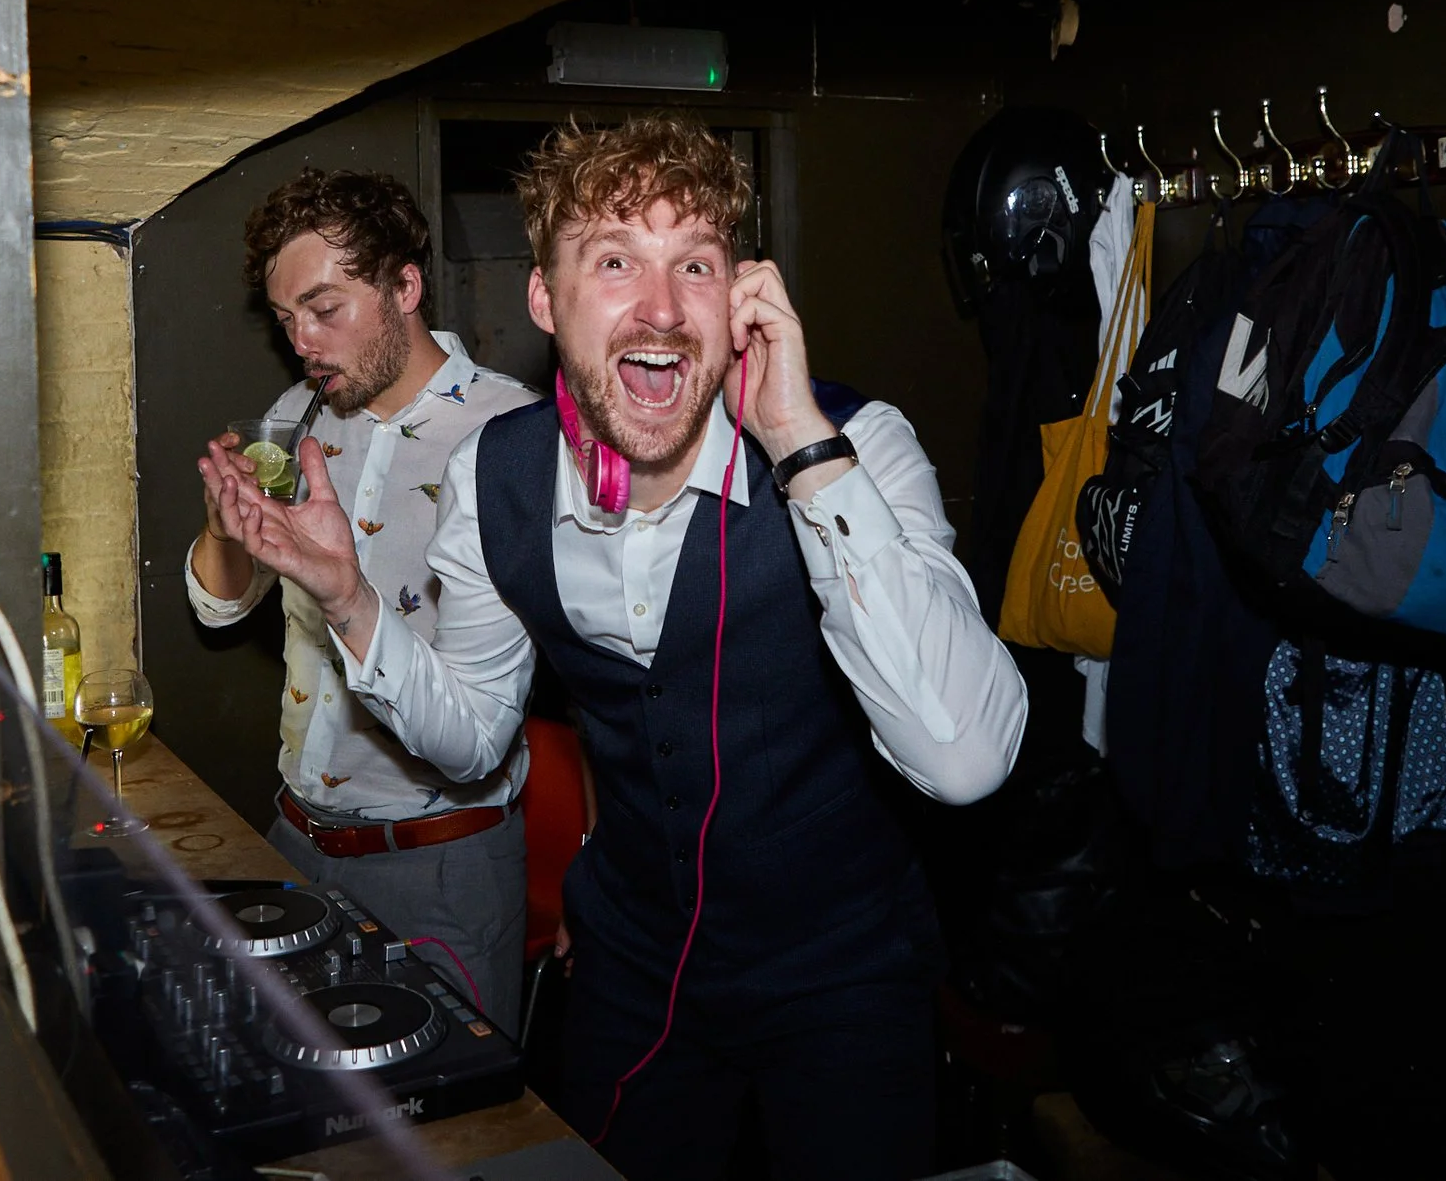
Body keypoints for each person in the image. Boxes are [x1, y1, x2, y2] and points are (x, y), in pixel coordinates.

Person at [201, 114, 1028, 1181]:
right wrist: (350, 597)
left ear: (743, 294)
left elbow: (964, 758)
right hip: (632, 967)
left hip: (845, 972)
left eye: (695, 262)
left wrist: (799, 449)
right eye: (613, 260)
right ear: (545, 300)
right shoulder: (495, 475)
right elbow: (465, 739)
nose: (660, 307)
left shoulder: (857, 445)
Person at [189, 168, 539, 1024]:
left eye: (325, 308)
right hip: (295, 837)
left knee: (452, 1143)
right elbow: (218, 607)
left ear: (405, 286)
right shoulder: (298, 417)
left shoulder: (512, 436)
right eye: (286, 319)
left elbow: (487, 731)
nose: (303, 340)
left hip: (441, 866)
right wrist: (224, 530)